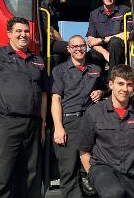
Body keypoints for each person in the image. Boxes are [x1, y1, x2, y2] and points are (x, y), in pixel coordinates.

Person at [0, 17, 48, 198]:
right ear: (9, 34)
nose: (23, 35)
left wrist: (42, 124)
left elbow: (44, 94)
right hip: (6, 123)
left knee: (30, 177)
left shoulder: (38, 61)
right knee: (1, 177)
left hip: (33, 126)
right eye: (19, 31)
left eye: (26, 31)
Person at [75, 64, 134, 198]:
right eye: (120, 84)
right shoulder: (93, 113)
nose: (125, 89)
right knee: (114, 193)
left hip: (133, 176)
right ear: (111, 85)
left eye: (129, 84)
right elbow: (83, 149)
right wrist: (92, 174)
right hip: (103, 170)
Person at [51, 35, 105, 197]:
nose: (79, 49)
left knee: (91, 167)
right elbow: (56, 99)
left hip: (90, 123)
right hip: (69, 122)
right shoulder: (59, 71)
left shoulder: (96, 70)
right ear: (68, 50)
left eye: (81, 45)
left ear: (86, 47)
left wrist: (101, 92)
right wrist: (59, 127)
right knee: (69, 170)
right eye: (74, 46)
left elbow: (105, 87)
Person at [86, 0, 131, 73]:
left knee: (115, 42)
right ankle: (94, 85)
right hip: (102, 50)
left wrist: (102, 40)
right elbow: (90, 41)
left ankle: (113, 81)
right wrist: (105, 53)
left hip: (121, 51)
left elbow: (127, 35)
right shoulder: (94, 14)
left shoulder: (125, 11)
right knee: (90, 55)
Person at [40, 0, 69, 64]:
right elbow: (49, 30)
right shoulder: (42, 5)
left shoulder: (53, 6)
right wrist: (61, 40)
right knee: (73, 48)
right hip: (45, 42)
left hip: (51, 43)